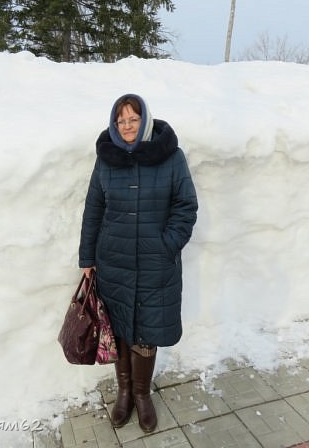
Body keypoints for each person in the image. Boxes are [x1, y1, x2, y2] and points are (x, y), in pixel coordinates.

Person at [78, 94, 198, 433]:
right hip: (113, 260)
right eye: (121, 121)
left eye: (133, 119)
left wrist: (167, 244)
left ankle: (142, 395)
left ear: (144, 120)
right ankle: (125, 391)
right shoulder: (106, 160)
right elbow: (94, 209)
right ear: (114, 125)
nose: (127, 126)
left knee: (146, 329)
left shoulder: (171, 158)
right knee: (119, 328)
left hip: (155, 262)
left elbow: (186, 206)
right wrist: (87, 257)